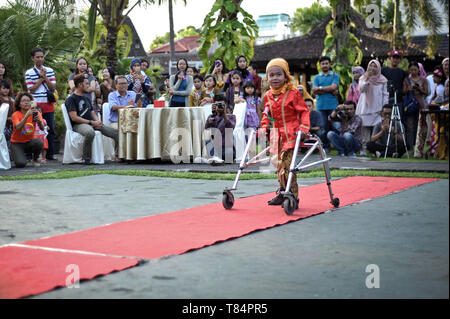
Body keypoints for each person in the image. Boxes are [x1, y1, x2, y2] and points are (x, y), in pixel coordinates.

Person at [260, 58, 310, 209]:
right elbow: (266, 113)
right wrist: (264, 126)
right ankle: (282, 192)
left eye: (278, 74)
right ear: (267, 77)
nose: (275, 78)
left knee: (287, 164)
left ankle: (292, 196)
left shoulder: (293, 93)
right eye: (271, 75)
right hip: (275, 134)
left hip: (291, 133)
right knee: (277, 164)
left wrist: (304, 127)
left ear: (285, 75)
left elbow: (304, 111)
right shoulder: (268, 95)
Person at [65, 74, 118, 165]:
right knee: (90, 133)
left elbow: (92, 112)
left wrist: (97, 121)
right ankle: (86, 158)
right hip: (78, 125)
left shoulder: (86, 98)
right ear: (80, 85)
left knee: (116, 133)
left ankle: (118, 155)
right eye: (87, 84)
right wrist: (91, 122)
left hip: (91, 123)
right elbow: (74, 118)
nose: (89, 86)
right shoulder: (71, 99)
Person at [25, 48, 57, 161]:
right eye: (37, 57)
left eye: (41, 57)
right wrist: (40, 78)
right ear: (32, 58)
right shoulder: (28, 73)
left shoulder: (50, 70)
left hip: (48, 104)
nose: (40, 59)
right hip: (35, 104)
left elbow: (53, 87)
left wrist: (45, 77)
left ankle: (50, 154)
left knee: (50, 129)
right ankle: (30, 155)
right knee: (33, 128)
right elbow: (31, 90)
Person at [356, 60, 389, 156]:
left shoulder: (383, 80)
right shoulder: (363, 78)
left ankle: (375, 150)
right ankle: (364, 149)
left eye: (375, 66)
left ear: (378, 68)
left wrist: (384, 108)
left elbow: (385, 95)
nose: (373, 68)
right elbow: (362, 89)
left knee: (377, 129)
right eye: (371, 66)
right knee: (365, 129)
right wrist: (367, 78)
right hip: (365, 108)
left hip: (378, 108)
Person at [312, 56, 340, 152]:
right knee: (323, 128)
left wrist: (320, 89)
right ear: (320, 65)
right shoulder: (316, 77)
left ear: (330, 64)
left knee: (336, 127)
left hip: (333, 106)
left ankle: (338, 146)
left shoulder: (334, 76)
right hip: (320, 106)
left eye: (326, 63)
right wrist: (329, 90)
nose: (325, 65)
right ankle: (326, 147)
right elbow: (314, 91)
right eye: (323, 64)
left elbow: (334, 87)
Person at [10, 92, 44, 168]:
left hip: (29, 142)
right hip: (17, 143)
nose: (26, 102)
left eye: (28, 101)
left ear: (32, 103)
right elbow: (18, 128)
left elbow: (42, 128)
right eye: (23, 101)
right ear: (19, 104)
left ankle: (35, 159)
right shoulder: (16, 114)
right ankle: (21, 156)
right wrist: (26, 116)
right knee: (21, 164)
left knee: (39, 142)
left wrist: (39, 121)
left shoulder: (36, 112)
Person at [402, 61, 428, 157]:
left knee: (420, 128)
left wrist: (419, 89)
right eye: (411, 70)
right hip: (409, 106)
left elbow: (426, 92)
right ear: (409, 70)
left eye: (415, 70)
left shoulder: (423, 80)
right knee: (410, 128)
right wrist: (408, 89)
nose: (413, 71)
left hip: (420, 106)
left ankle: (419, 150)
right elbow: (403, 92)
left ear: (419, 70)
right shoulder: (406, 80)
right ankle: (410, 149)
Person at [204, 94, 236, 162]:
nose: (219, 106)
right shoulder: (212, 116)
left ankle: (216, 158)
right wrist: (213, 114)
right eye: (217, 104)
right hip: (215, 148)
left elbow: (230, 127)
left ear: (226, 105)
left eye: (221, 104)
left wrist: (224, 113)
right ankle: (216, 158)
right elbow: (206, 128)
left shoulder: (231, 117)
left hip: (226, 148)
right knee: (207, 142)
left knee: (229, 154)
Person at [0, 79, 15, 155]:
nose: (6, 90)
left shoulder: (11, 100)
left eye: (7, 88)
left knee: (9, 141)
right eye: (3, 88)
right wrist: (6, 118)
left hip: (11, 125)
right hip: (2, 125)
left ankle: (8, 157)